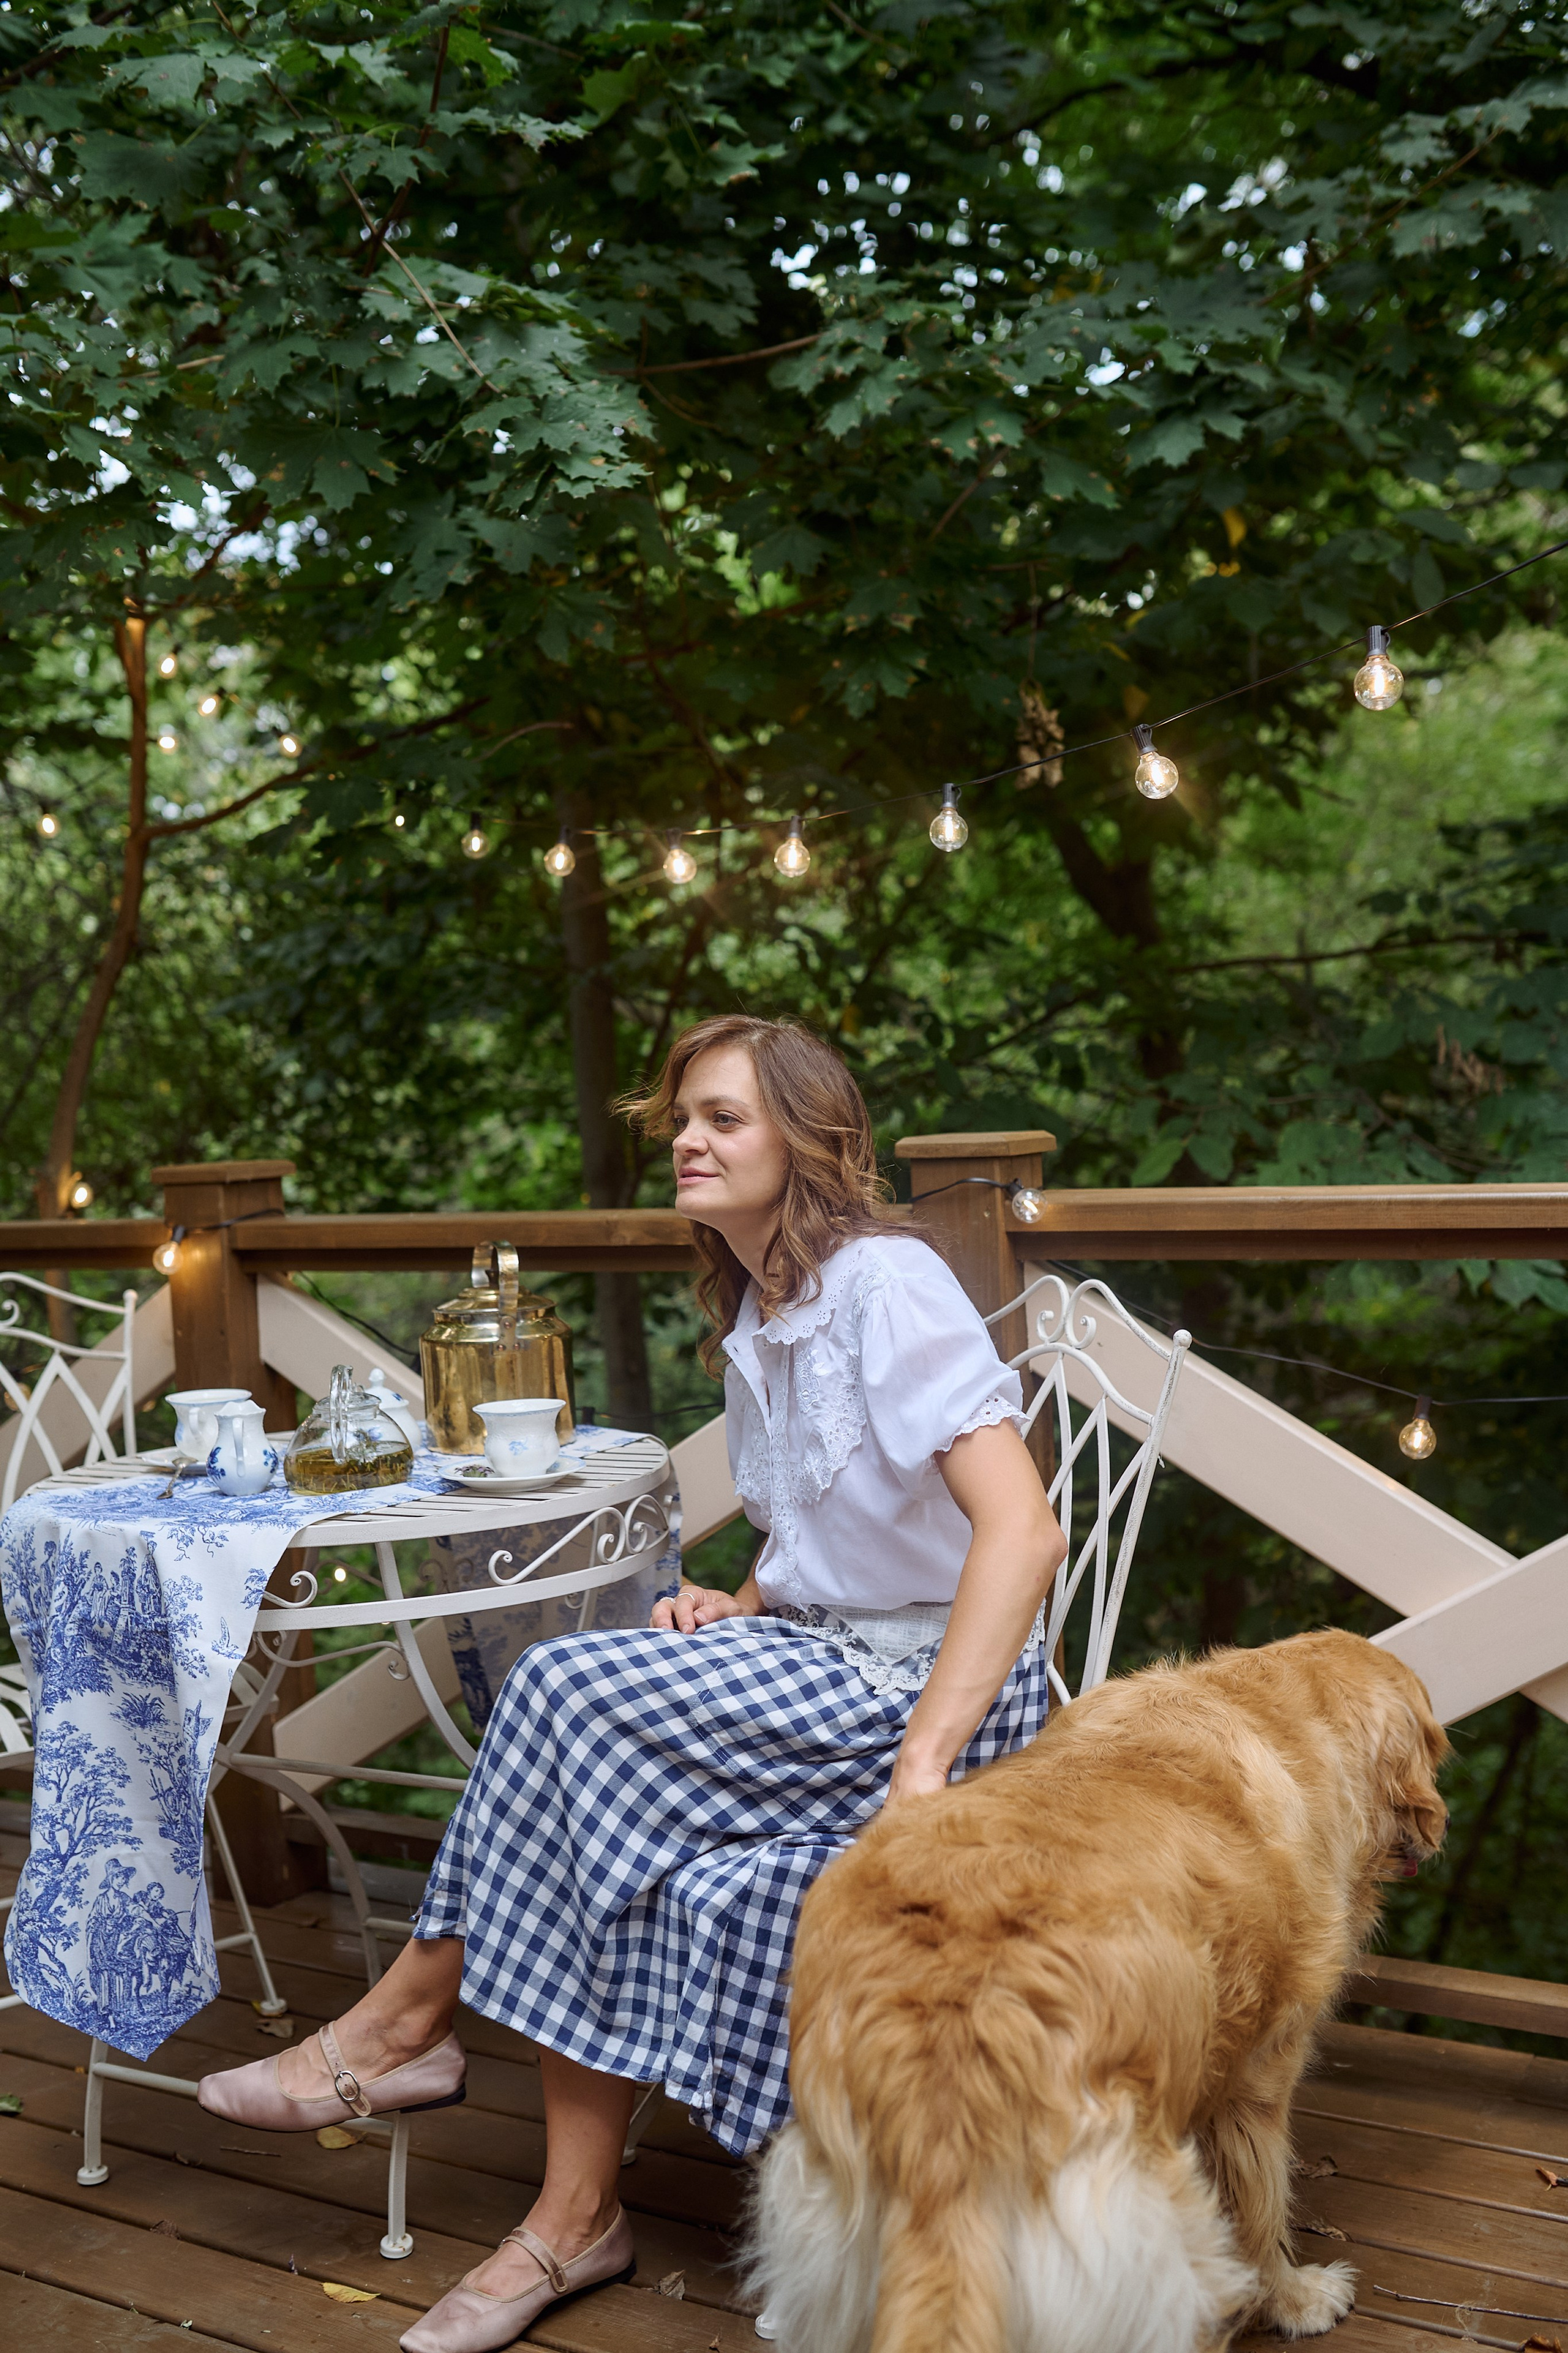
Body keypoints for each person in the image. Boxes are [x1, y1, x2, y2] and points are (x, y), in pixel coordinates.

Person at [198, 1015, 1066, 2353]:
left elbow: (1019, 1531)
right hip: (820, 1653)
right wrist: (751, 1594)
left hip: (933, 1693)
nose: (686, 1140)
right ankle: (563, 2206)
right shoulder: (760, 1309)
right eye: (680, 1120)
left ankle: (416, 2043)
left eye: (723, 1118)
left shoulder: (888, 1283)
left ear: (806, 1137)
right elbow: (847, 1524)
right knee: (582, 1748)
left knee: (560, 1701)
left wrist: (922, 1765)